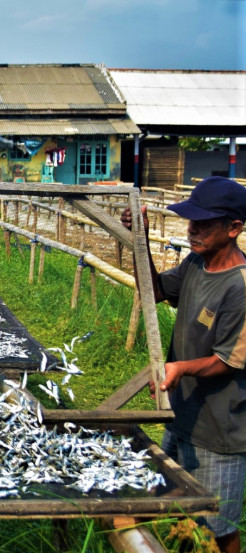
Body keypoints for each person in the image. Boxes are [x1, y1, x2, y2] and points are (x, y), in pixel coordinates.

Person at [121, 176, 246, 553]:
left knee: (218, 527)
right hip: (183, 414)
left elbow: (228, 361)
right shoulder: (196, 262)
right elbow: (155, 290)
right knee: (178, 509)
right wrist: (139, 238)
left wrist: (181, 368)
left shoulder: (240, 286)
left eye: (204, 223)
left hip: (220, 430)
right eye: (191, 221)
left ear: (234, 228)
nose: (192, 230)